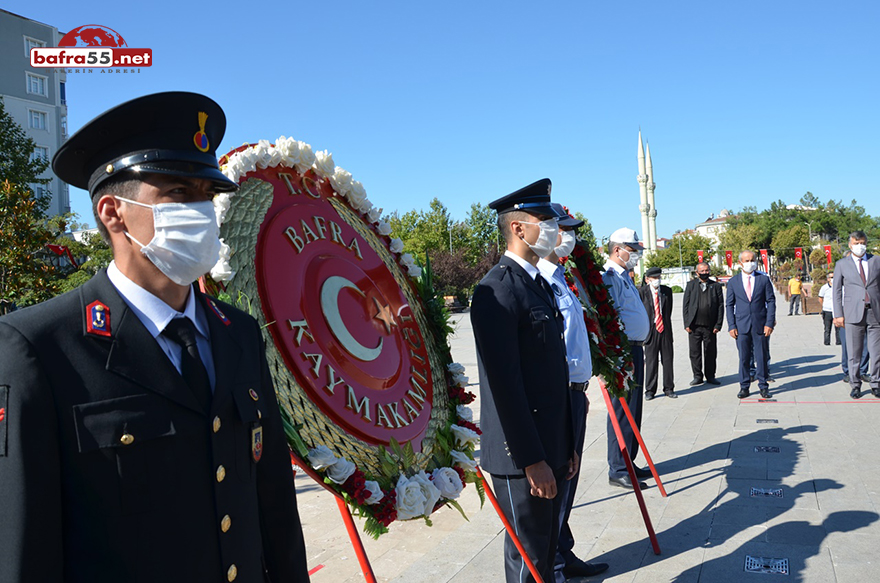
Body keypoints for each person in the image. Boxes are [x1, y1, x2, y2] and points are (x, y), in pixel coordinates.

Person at [0, 92, 310, 582]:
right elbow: (26, 547)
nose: (201, 211)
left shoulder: (239, 333)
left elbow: (272, 502)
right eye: (177, 193)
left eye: (206, 195)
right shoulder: (39, 347)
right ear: (112, 212)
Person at [471, 179, 577, 583]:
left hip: (549, 445)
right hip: (522, 458)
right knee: (528, 562)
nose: (553, 229)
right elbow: (506, 389)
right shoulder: (496, 291)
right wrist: (533, 460)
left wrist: (566, 445)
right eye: (544, 220)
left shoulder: (536, 285)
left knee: (546, 557)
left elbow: (554, 373)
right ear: (518, 228)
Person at [536, 203, 609, 582]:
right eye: (563, 228)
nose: (568, 236)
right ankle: (556, 564)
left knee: (570, 480)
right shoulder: (541, 281)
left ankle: (563, 552)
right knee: (559, 483)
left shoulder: (562, 278)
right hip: (559, 394)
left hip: (575, 393)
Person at [602, 229, 651, 489]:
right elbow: (611, 318)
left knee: (634, 409)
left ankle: (628, 461)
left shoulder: (624, 276)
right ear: (618, 250)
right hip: (622, 351)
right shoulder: (609, 277)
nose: (636, 255)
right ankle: (618, 467)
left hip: (634, 348)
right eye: (632, 251)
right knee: (622, 410)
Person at [832, 231, 880, 399]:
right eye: (856, 242)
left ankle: (875, 382)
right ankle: (855, 384)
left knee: (876, 352)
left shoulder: (876, 261)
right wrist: (838, 314)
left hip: (875, 312)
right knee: (854, 352)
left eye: (863, 242)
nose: (860, 246)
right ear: (850, 244)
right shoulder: (842, 264)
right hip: (852, 313)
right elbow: (836, 291)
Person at [726, 250, 776, 399]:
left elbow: (771, 301)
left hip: (760, 324)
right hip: (741, 326)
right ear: (740, 263)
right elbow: (729, 305)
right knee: (744, 358)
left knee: (761, 356)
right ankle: (744, 386)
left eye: (752, 260)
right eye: (746, 261)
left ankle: (763, 386)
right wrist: (731, 325)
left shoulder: (763, 280)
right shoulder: (733, 282)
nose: (750, 263)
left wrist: (769, 322)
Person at [682, 262, 724, 386]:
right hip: (694, 326)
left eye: (707, 270)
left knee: (710, 352)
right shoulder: (691, 286)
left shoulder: (715, 286)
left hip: (710, 327)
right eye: (702, 271)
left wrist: (718, 324)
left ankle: (710, 376)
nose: (705, 273)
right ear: (697, 272)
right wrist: (686, 323)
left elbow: (721, 306)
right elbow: (686, 305)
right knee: (695, 353)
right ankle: (697, 376)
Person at [640, 266, 676, 399]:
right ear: (647, 279)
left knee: (667, 360)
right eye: (654, 278)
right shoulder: (642, 292)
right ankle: (650, 390)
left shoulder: (667, 291)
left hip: (664, 330)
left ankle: (669, 388)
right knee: (651, 361)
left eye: (658, 277)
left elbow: (669, 310)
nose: (657, 280)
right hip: (650, 331)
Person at [818, 273, 841, 345]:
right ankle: (827, 342)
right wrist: (824, 306)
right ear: (828, 279)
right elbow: (820, 298)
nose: (833, 279)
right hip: (827, 310)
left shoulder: (839, 287)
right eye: (831, 277)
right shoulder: (824, 288)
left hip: (836, 310)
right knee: (827, 328)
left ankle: (839, 341)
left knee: (838, 327)